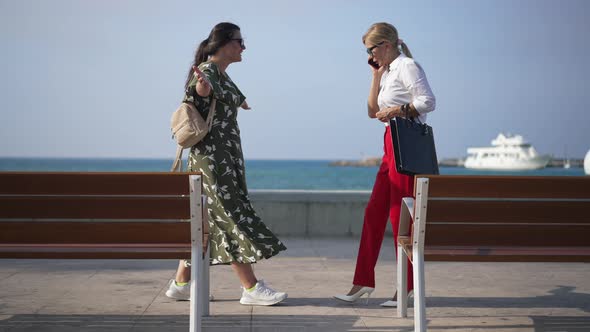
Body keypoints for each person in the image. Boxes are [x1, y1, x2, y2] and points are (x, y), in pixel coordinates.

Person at [165, 22, 288, 306]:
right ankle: (251, 287)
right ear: (222, 44)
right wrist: (202, 92)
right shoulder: (208, 72)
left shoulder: (221, 74)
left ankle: (182, 283)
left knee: (208, 221)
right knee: (230, 217)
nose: (243, 47)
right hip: (212, 160)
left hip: (223, 158)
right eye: (239, 42)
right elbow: (196, 94)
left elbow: (228, 99)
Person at [334, 22, 435, 307]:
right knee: (373, 213)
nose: (369, 56)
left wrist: (397, 110)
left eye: (371, 50)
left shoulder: (408, 66)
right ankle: (362, 281)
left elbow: (428, 101)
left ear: (387, 45)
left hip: (406, 145)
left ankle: (407, 287)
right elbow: (371, 112)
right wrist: (375, 77)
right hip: (390, 145)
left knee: (399, 218)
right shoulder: (389, 71)